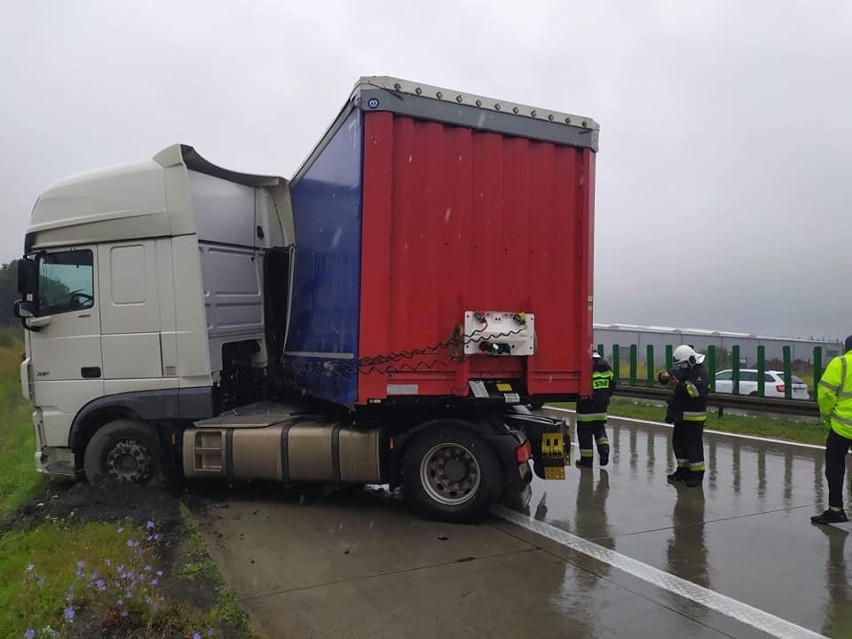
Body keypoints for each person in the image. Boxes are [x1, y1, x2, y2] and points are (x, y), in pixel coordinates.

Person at [811, 335, 852, 525]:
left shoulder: (841, 363)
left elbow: (826, 394)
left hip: (842, 427)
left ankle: (836, 510)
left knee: (835, 468)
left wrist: (827, 417)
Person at [660, 345, 709, 487]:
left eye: (683, 364)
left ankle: (697, 475)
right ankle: (682, 471)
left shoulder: (700, 373)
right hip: (681, 416)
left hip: (694, 417)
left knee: (693, 446)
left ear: (691, 360)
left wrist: (679, 384)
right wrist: (664, 376)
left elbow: (695, 392)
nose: (681, 367)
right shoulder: (682, 369)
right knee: (678, 444)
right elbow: (667, 376)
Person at [576, 352, 616, 468]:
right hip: (602, 405)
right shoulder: (606, 365)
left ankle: (586, 460)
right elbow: (612, 385)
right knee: (599, 428)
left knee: (584, 432)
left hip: (586, 405)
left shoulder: (585, 365)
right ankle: (604, 451)